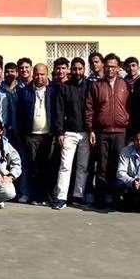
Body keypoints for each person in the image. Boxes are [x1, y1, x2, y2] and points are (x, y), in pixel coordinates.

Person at [85, 54, 131, 210]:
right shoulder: (96, 86)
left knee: (119, 166)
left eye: (113, 66)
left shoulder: (125, 85)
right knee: (102, 166)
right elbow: (89, 109)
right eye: (107, 66)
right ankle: (101, 198)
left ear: (118, 68)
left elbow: (130, 107)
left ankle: (116, 198)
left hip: (120, 132)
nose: (110, 69)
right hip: (102, 132)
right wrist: (91, 129)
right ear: (103, 67)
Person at [50, 57, 89, 210]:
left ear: (84, 69)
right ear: (70, 70)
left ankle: (78, 195)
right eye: (74, 69)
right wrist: (60, 132)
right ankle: (61, 197)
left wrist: (92, 130)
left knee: (82, 166)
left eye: (80, 69)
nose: (77, 72)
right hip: (69, 132)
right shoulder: (64, 87)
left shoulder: (90, 86)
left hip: (86, 132)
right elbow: (59, 111)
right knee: (65, 166)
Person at [15, 63, 55, 204]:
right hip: (30, 135)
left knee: (48, 167)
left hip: (48, 135)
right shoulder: (24, 92)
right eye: (37, 74)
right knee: (33, 167)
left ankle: (47, 196)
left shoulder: (54, 91)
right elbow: (19, 115)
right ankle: (35, 196)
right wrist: (21, 134)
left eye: (42, 74)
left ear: (47, 74)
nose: (39, 77)